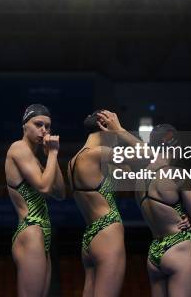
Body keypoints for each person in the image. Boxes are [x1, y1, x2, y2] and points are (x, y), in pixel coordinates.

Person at [68, 110, 138, 297]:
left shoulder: (73, 161)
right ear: (104, 128)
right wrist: (120, 130)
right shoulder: (98, 153)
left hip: (90, 237)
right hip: (108, 233)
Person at [5, 104, 65, 297]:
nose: (44, 131)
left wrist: (50, 157)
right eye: (38, 124)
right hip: (30, 230)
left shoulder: (36, 159)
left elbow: (60, 193)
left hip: (41, 233)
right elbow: (45, 187)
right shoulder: (18, 148)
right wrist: (54, 154)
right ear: (24, 125)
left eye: (47, 127)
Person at [135, 124, 191, 297]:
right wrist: (189, 222)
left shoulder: (139, 179)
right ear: (175, 145)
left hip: (154, 252)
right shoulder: (177, 174)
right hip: (178, 249)